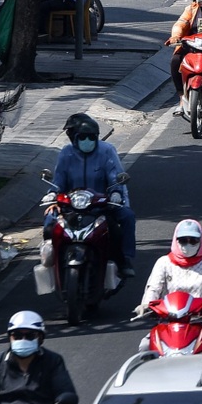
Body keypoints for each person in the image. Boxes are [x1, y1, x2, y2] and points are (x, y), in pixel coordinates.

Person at [44, 112, 137, 284]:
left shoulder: (106, 151)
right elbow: (58, 180)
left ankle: (125, 260)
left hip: (102, 205)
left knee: (127, 217)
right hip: (72, 205)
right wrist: (52, 195)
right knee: (49, 220)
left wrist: (116, 194)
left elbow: (115, 176)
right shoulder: (66, 153)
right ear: (75, 138)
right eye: (83, 137)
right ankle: (51, 258)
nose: (87, 141)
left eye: (91, 137)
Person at [135, 220, 202, 350]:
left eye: (193, 240)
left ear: (200, 241)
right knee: (145, 347)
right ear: (176, 240)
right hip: (168, 322)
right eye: (183, 240)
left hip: (199, 320)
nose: (188, 244)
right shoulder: (164, 262)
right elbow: (154, 287)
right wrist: (145, 304)